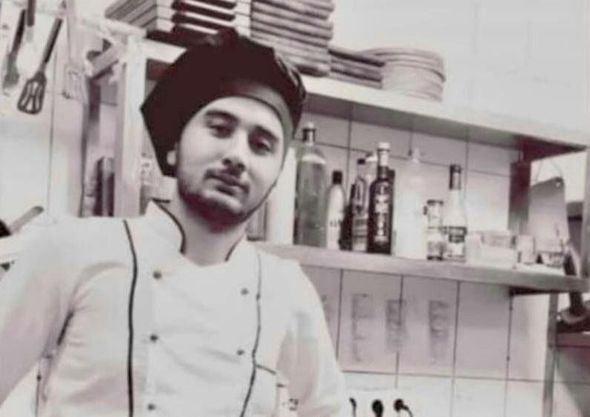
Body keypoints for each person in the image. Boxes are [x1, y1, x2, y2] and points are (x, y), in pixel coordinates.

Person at [0, 29, 349, 417]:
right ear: (174, 145)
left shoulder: (286, 289)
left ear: (276, 174)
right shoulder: (73, 250)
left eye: (261, 145)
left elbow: (331, 410)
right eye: (219, 128)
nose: (238, 155)